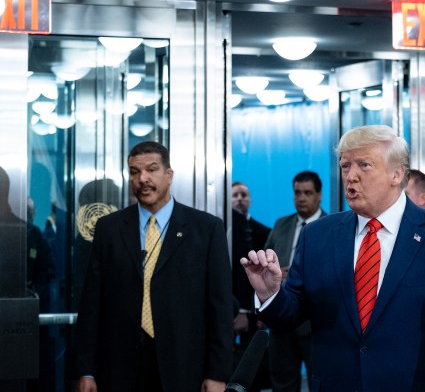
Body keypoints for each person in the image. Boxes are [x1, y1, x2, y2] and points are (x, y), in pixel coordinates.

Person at [241, 124, 425, 391]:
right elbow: (291, 315)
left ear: (397, 174)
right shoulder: (318, 236)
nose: (351, 176)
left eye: (364, 165)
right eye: (346, 166)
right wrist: (271, 294)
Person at [74, 141, 232, 392]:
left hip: (183, 366)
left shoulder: (206, 229)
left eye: (151, 169)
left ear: (169, 175)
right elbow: (92, 304)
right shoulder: (109, 229)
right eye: (135, 172)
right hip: (119, 367)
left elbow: (220, 307)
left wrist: (217, 372)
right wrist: (85, 369)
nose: (142, 179)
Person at [263, 171, 325, 392]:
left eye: (308, 193)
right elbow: (263, 262)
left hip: (317, 324)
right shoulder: (281, 225)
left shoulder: (332, 227)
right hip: (282, 322)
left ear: (319, 195)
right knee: (282, 384)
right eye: (297, 192)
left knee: (322, 383)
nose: (301, 198)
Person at [230, 182, 271, 390]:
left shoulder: (264, 232)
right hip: (226, 306)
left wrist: (254, 312)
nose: (239, 199)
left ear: (250, 200)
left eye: (243, 195)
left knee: (251, 369)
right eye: (235, 195)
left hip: (253, 310)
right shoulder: (220, 230)